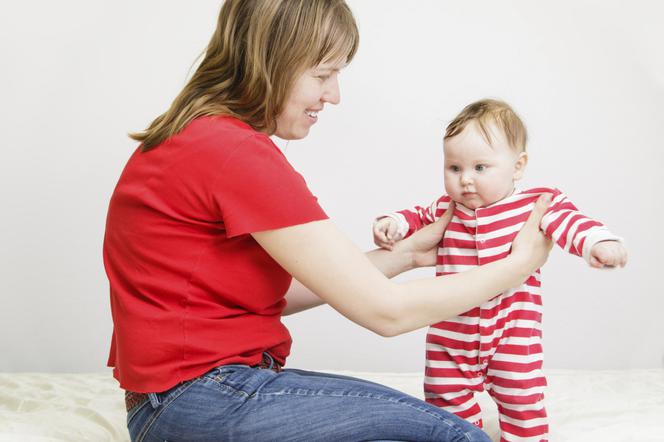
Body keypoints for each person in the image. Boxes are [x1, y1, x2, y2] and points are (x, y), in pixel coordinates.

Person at [103, 2, 552, 441]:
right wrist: (516, 266)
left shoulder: (192, 136)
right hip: (199, 400)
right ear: (273, 61)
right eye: (322, 74)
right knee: (457, 436)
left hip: (169, 407)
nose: (334, 94)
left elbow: (278, 291)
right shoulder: (234, 153)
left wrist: (410, 253)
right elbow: (387, 313)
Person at [373, 99, 627, 441]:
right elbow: (415, 215)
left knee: (522, 400)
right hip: (451, 334)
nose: (465, 181)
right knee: (444, 398)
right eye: (454, 168)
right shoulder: (448, 207)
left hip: (512, 334)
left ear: (517, 166)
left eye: (480, 168)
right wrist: (393, 223)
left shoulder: (533, 204)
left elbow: (570, 221)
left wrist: (598, 243)